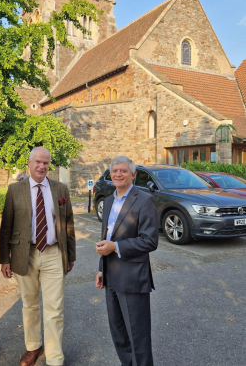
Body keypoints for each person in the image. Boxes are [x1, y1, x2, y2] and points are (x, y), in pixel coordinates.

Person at [0, 147, 75, 366]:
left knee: (55, 308)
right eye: (38, 162)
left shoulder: (60, 189)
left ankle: (54, 358)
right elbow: (6, 227)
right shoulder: (15, 190)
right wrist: (5, 258)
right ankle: (33, 347)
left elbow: (68, 223)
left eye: (46, 163)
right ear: (29, 163)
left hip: (53, 253)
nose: (42, 166)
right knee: (29, 304)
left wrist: (70, 255)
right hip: (25, 254)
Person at [95, 156, 158, 366]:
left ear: (133, 175)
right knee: (119, 332)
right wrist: (101, 269)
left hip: (132, 277)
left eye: (123, 171)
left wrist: (116, 247)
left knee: (138, 336)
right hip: (111, 275)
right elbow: (107, 237)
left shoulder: (144, 200)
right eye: (115, 171)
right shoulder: (110, 200)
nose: (118, 174)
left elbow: (149, 241)